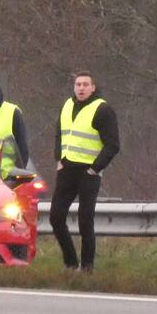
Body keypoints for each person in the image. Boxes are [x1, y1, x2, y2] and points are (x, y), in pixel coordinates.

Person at [49, 70, 120, 271]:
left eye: (85, 84)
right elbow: (59, 135)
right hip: (67, 168)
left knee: (85, 221)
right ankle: (70, 263)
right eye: (78, 84)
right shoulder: (67, 105)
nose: (81, 88)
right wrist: (59, 159)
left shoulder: (102, 109)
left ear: (93, 87)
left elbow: (113, 145)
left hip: (89, 172)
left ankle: (87, 267)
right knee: (55, 217)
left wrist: (94, 169)